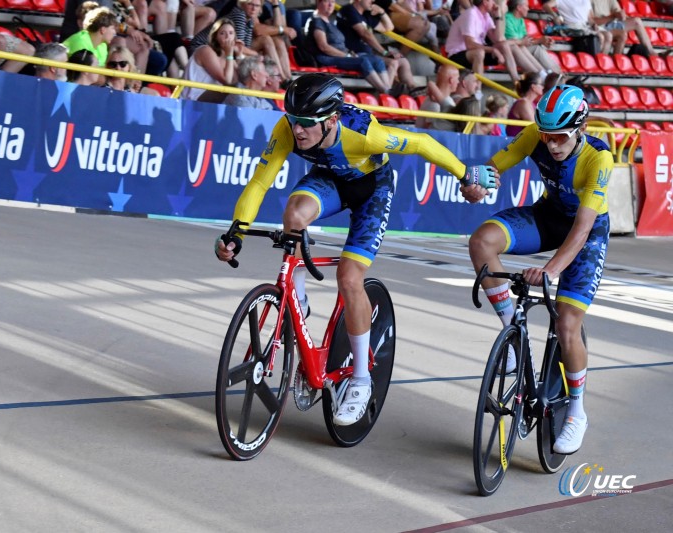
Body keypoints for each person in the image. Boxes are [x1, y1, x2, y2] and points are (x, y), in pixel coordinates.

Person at [215, 74, 497, 425]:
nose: (297, 130)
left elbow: (422, 142)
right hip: (331, 180)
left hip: (372, 189)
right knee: (294, 215)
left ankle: (361, 377)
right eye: (293, 120)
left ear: (331, 120)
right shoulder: (288, 129)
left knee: (349, 278)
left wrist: (463, 174)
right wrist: (236, 232)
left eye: (306, 123)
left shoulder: (366, 134)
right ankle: (298, 299)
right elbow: (260, 181)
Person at [467, 84, 612, 455]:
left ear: (580, 129)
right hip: (548, 217)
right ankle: (511, 338)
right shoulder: (535, 135)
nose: (552, 146)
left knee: (566, 324)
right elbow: (493, 166)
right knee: (482, 241)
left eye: (560, 138)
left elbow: (581, 231)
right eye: (546, 137)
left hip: (586, 233)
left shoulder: (599, 159)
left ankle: (577, 411)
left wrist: (550, 271)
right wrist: (475, 183)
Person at [307, 0, 393, 94]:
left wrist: (349, 53)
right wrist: (347, 55)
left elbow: (389, 27)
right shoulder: (317, 21)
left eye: (333, 2)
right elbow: (324, 47)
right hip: (326, 57)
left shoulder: (329, 22)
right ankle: (384, 91)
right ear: (318, 3)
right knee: (363, 61)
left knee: (377, 60)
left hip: (341, 55)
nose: (331, 5)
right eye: (327, 2)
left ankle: (387, 89)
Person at [337, 0, 420, 95]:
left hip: (368, 55)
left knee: (403, 61)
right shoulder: (349, 9)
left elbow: (389, 27)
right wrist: (384, 52)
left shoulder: (366, 15)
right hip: (355, 54)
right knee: (393, 63)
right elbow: (365, 34)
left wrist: (382, 12)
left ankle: (412, 88)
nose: (373, 0)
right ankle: (386, 93)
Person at [444, 0, 521, 82]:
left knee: (504, 45)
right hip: (457, 55)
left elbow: (497, 38)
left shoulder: (486, 16)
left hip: (475, 51)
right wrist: (493, 50)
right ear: (485, 2)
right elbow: (469, 45)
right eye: (493, 1)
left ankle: (517, 82)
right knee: (479, 53)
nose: (495, 4)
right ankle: (477, 90)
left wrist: (499, 16)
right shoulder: (471, 14)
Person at [181, 17, 239, 101]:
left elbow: (239, 80)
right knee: (231, 91)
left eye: (231, 33)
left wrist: (240, 55)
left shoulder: (227, 56)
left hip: (209, 101)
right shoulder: (206, 50)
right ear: (215, 36)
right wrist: (230, 55)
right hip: (192, 99)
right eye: (222, 33)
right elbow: (227, 81)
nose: (227, 37)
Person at [503, 0, 560, 78]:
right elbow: (516, 42)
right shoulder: (508, 18)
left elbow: (525, 41)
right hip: (510, 51)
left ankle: (557, 74)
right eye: (526, 6)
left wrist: (542, 41)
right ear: (519, 7)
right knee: (523, 48)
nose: (528, 9)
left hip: (520, 48)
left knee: (537, 48)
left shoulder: (520, 19)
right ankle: (542, 75)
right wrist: (539, 40)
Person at [591, 0, 657, 57]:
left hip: (611, 24)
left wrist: (621, 15)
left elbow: (618, 12)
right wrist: (613, 16)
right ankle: (616, 61)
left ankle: (652, 53)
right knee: (623, 34)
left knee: (637, 21)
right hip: (600, 26)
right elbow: (592, 21)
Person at [415, 63, 459, 130]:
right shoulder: (435, 105)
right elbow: (429, 132)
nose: (458, 82)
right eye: (457, 78)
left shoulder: (446, 99)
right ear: (451, 80)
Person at [505, 71, 543, 136]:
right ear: (533, 87)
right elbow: (536, 128)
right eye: (541, 84)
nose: (543, 87)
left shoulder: (530, 103)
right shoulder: (523, 103)